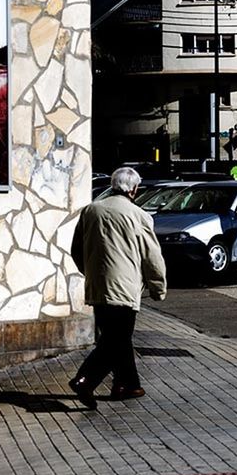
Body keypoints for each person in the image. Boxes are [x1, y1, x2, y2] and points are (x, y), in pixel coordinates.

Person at [68, 167, 167, 409]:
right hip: (125, 288)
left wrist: (89, 272)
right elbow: (152, 256)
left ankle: (127, 384)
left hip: (98, 286)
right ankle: (85, 380)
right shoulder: (138, 215)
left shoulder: (91, 211)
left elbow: (76, 249)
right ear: (134, 189)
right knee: (115, 341)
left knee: (117, 338)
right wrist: (158, 287)